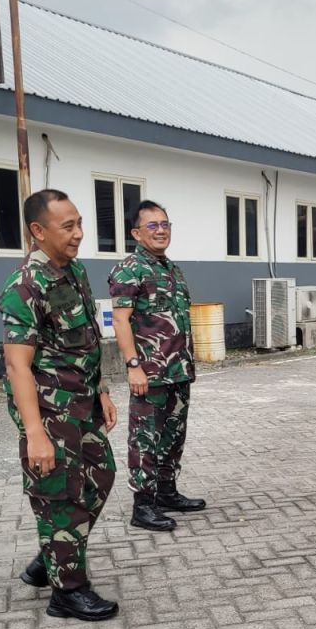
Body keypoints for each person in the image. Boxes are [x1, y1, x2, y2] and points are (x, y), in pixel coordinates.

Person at [0, 189, 119, 621]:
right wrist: (34, 434)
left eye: (79, 223)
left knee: (101, 476)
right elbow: (17, 367)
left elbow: (88, 339)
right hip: (50, 413)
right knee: (60, 496)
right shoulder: (25, 286)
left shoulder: (75, 272)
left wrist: (102, 389)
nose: (79, 234)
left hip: (83, 403)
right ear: (38, 231)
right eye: (67, 226)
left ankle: (52, 553)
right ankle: (67, 591)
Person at [108, 201, 205, 532]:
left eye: (165, 224)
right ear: (136, 232)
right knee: (145, 439)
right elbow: (120, 321)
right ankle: (143, 506)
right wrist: (133, 366)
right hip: (149, 374)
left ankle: (166, 492)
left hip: (178, 371)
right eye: (152, 225)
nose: (161, 230)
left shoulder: (172, 269)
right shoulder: (130, 269)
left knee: (173, 437)